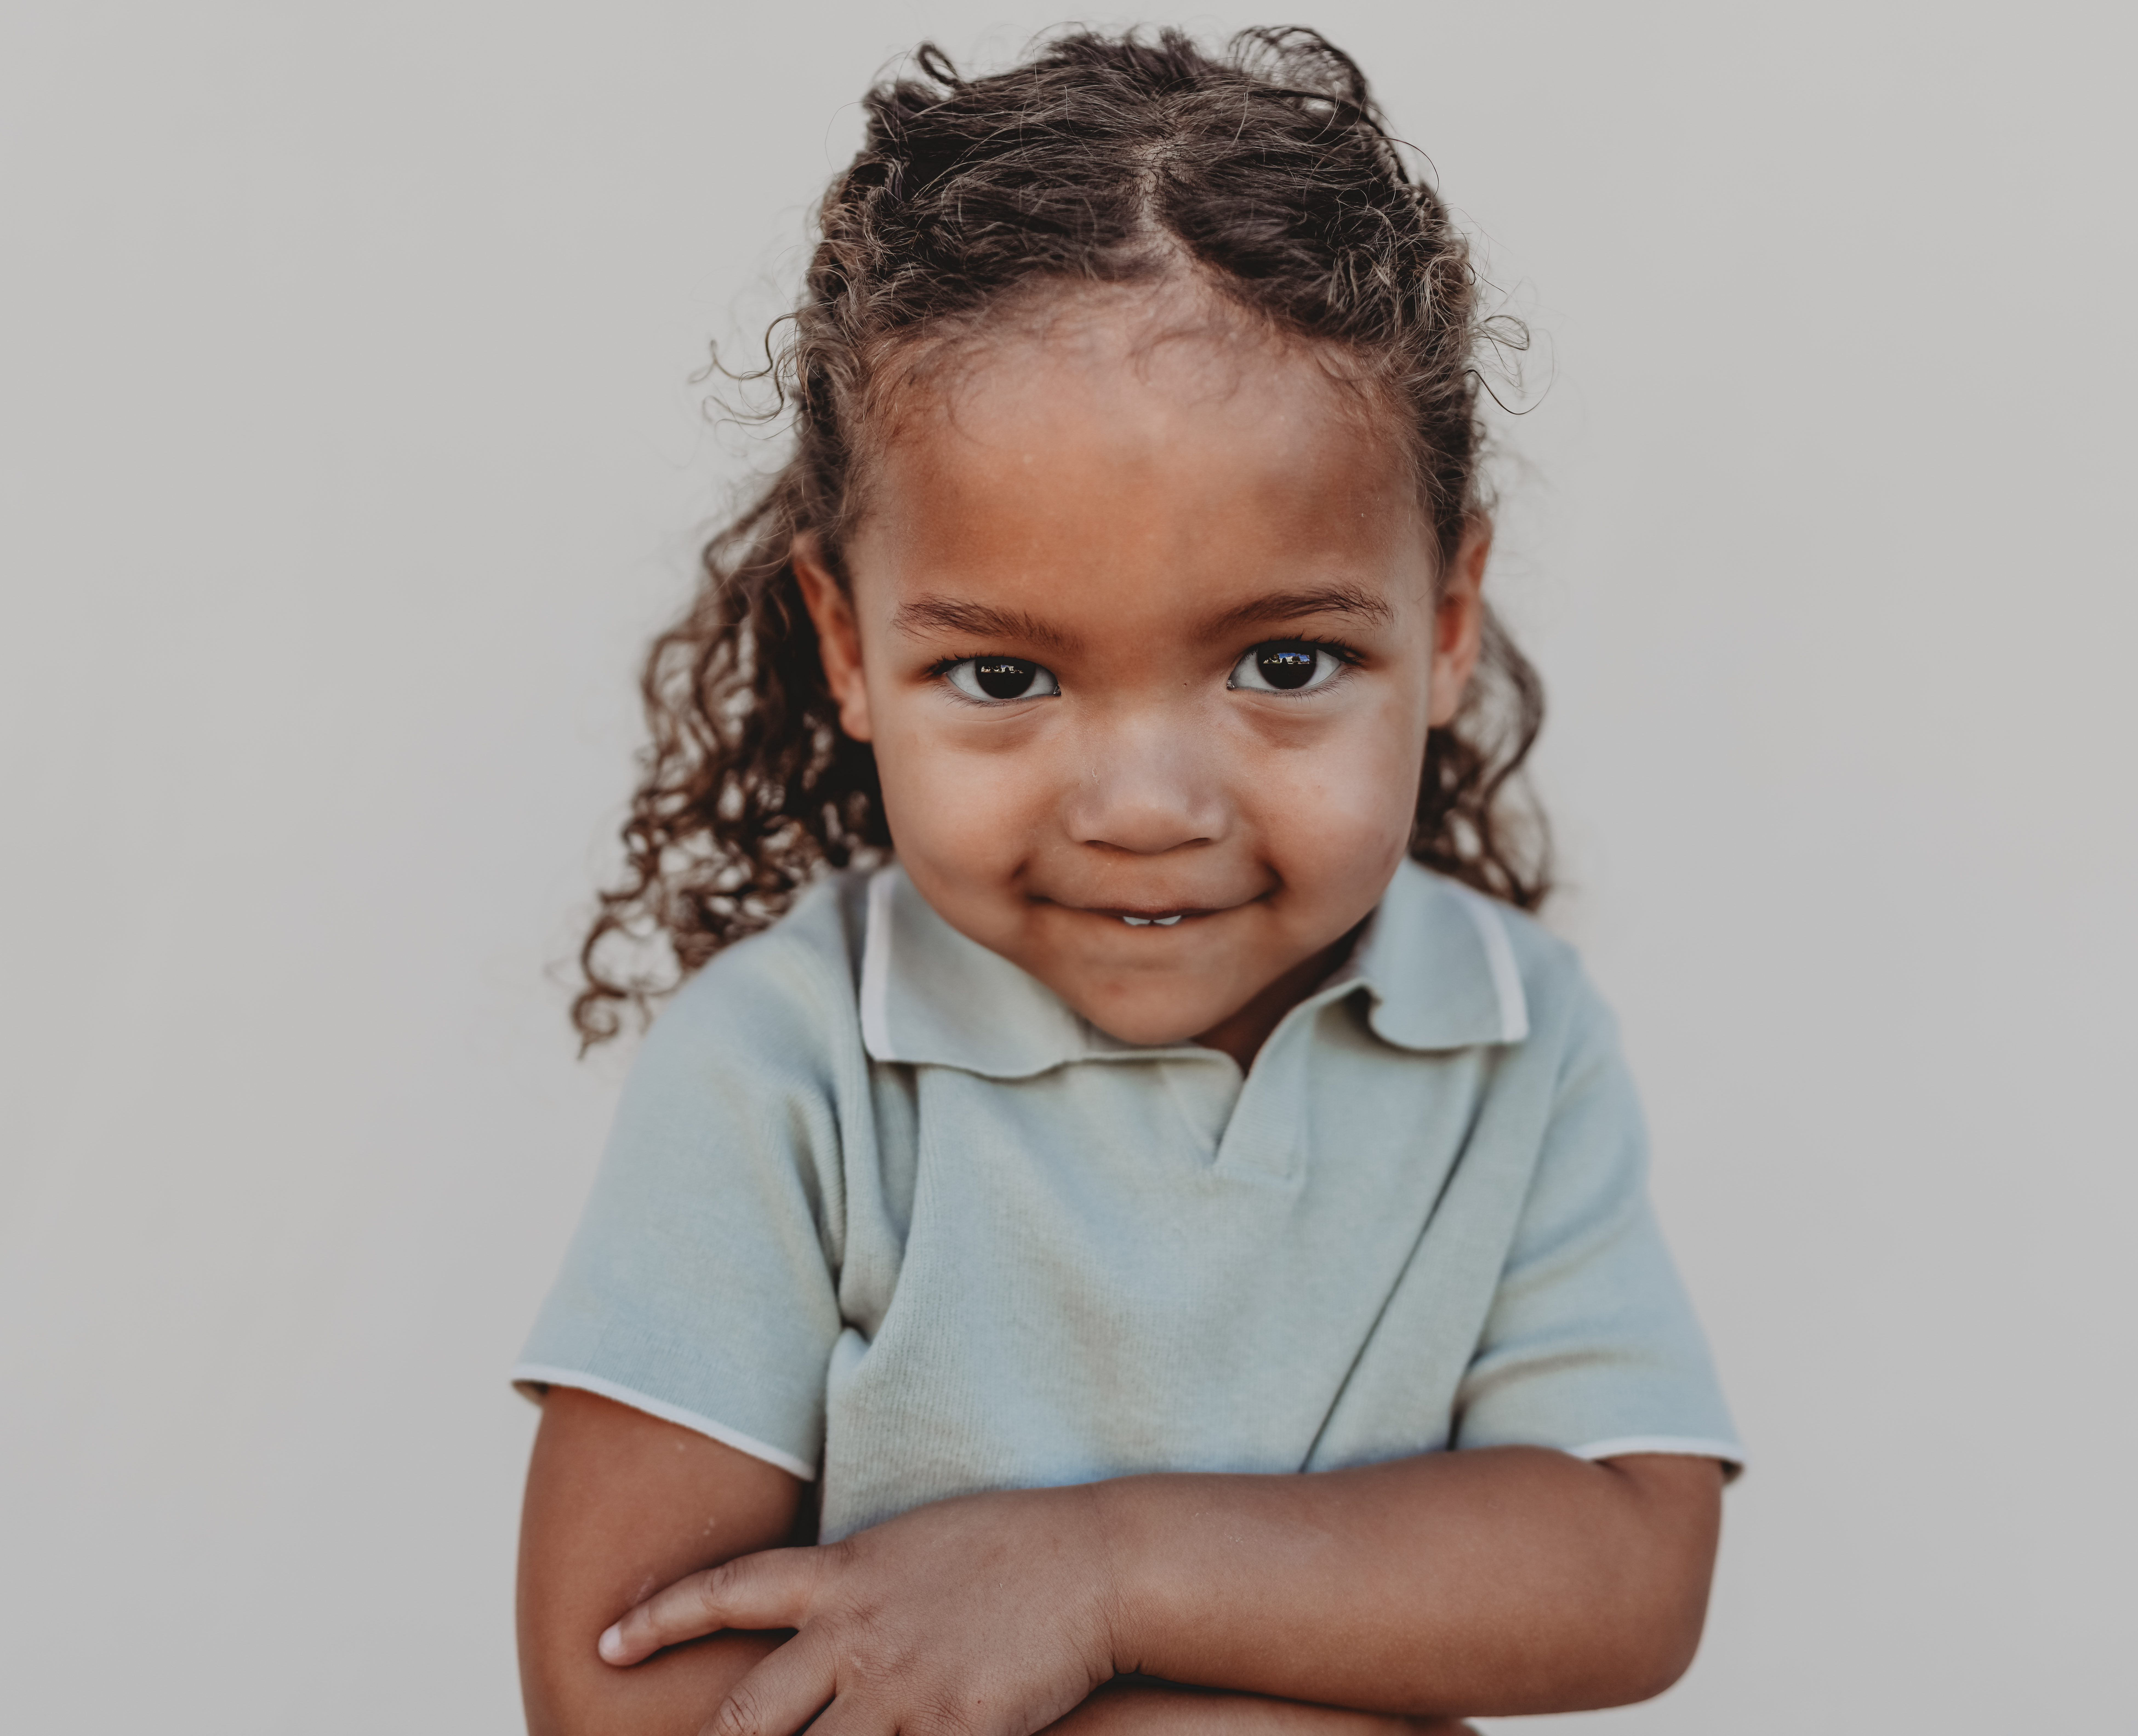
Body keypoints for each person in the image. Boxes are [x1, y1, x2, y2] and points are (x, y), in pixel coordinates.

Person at [512, 26, 1742, 1736]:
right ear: (849, 649)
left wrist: (1103, 1577)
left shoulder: (1516, 1042)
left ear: (1447, 624)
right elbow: (621, 1690)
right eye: (1008, 680)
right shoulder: (788, 1072)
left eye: (1288, 664)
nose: (1148, 807)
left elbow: (1627, 1563)